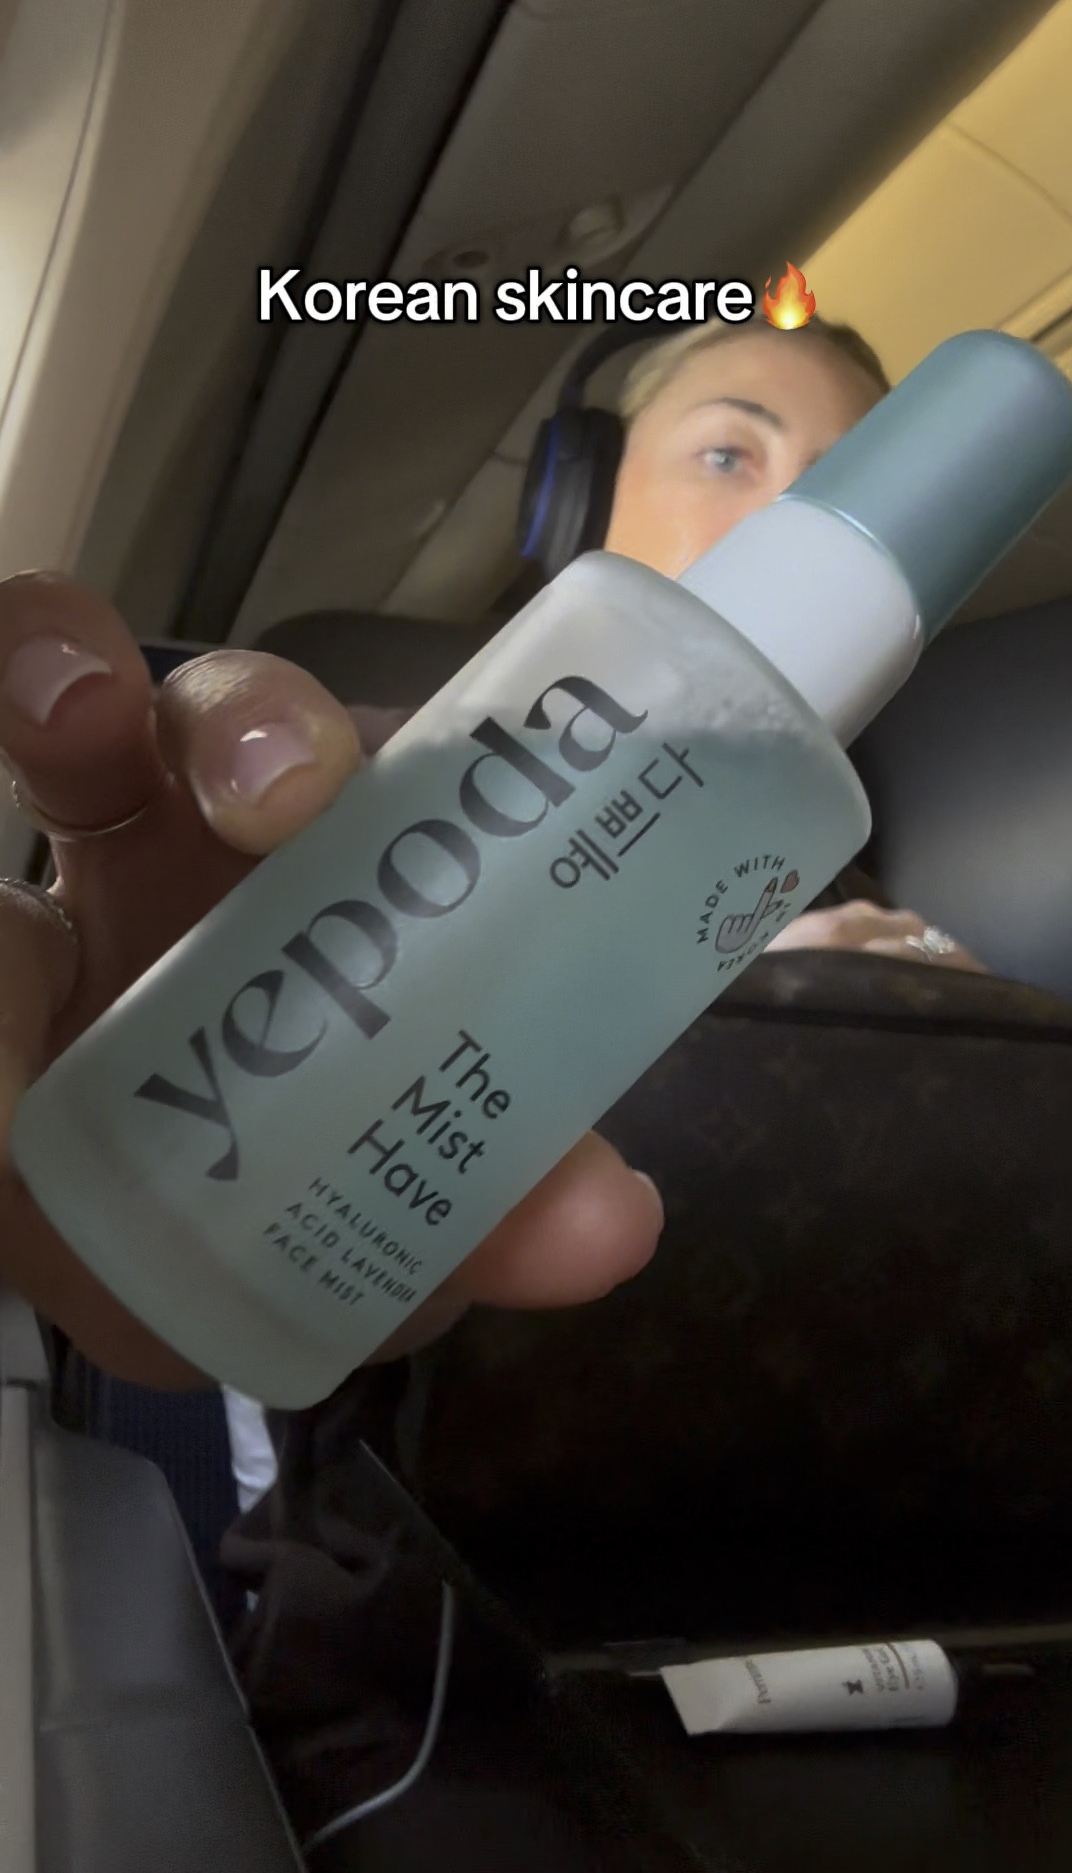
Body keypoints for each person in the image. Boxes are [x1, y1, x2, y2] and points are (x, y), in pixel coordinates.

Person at [0, 312, 987, 1849]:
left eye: (851, 467)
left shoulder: (847, 865)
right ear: (581, 497)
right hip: (375, 1586)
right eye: (731, 450)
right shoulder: (380, 763)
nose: (797, 505)